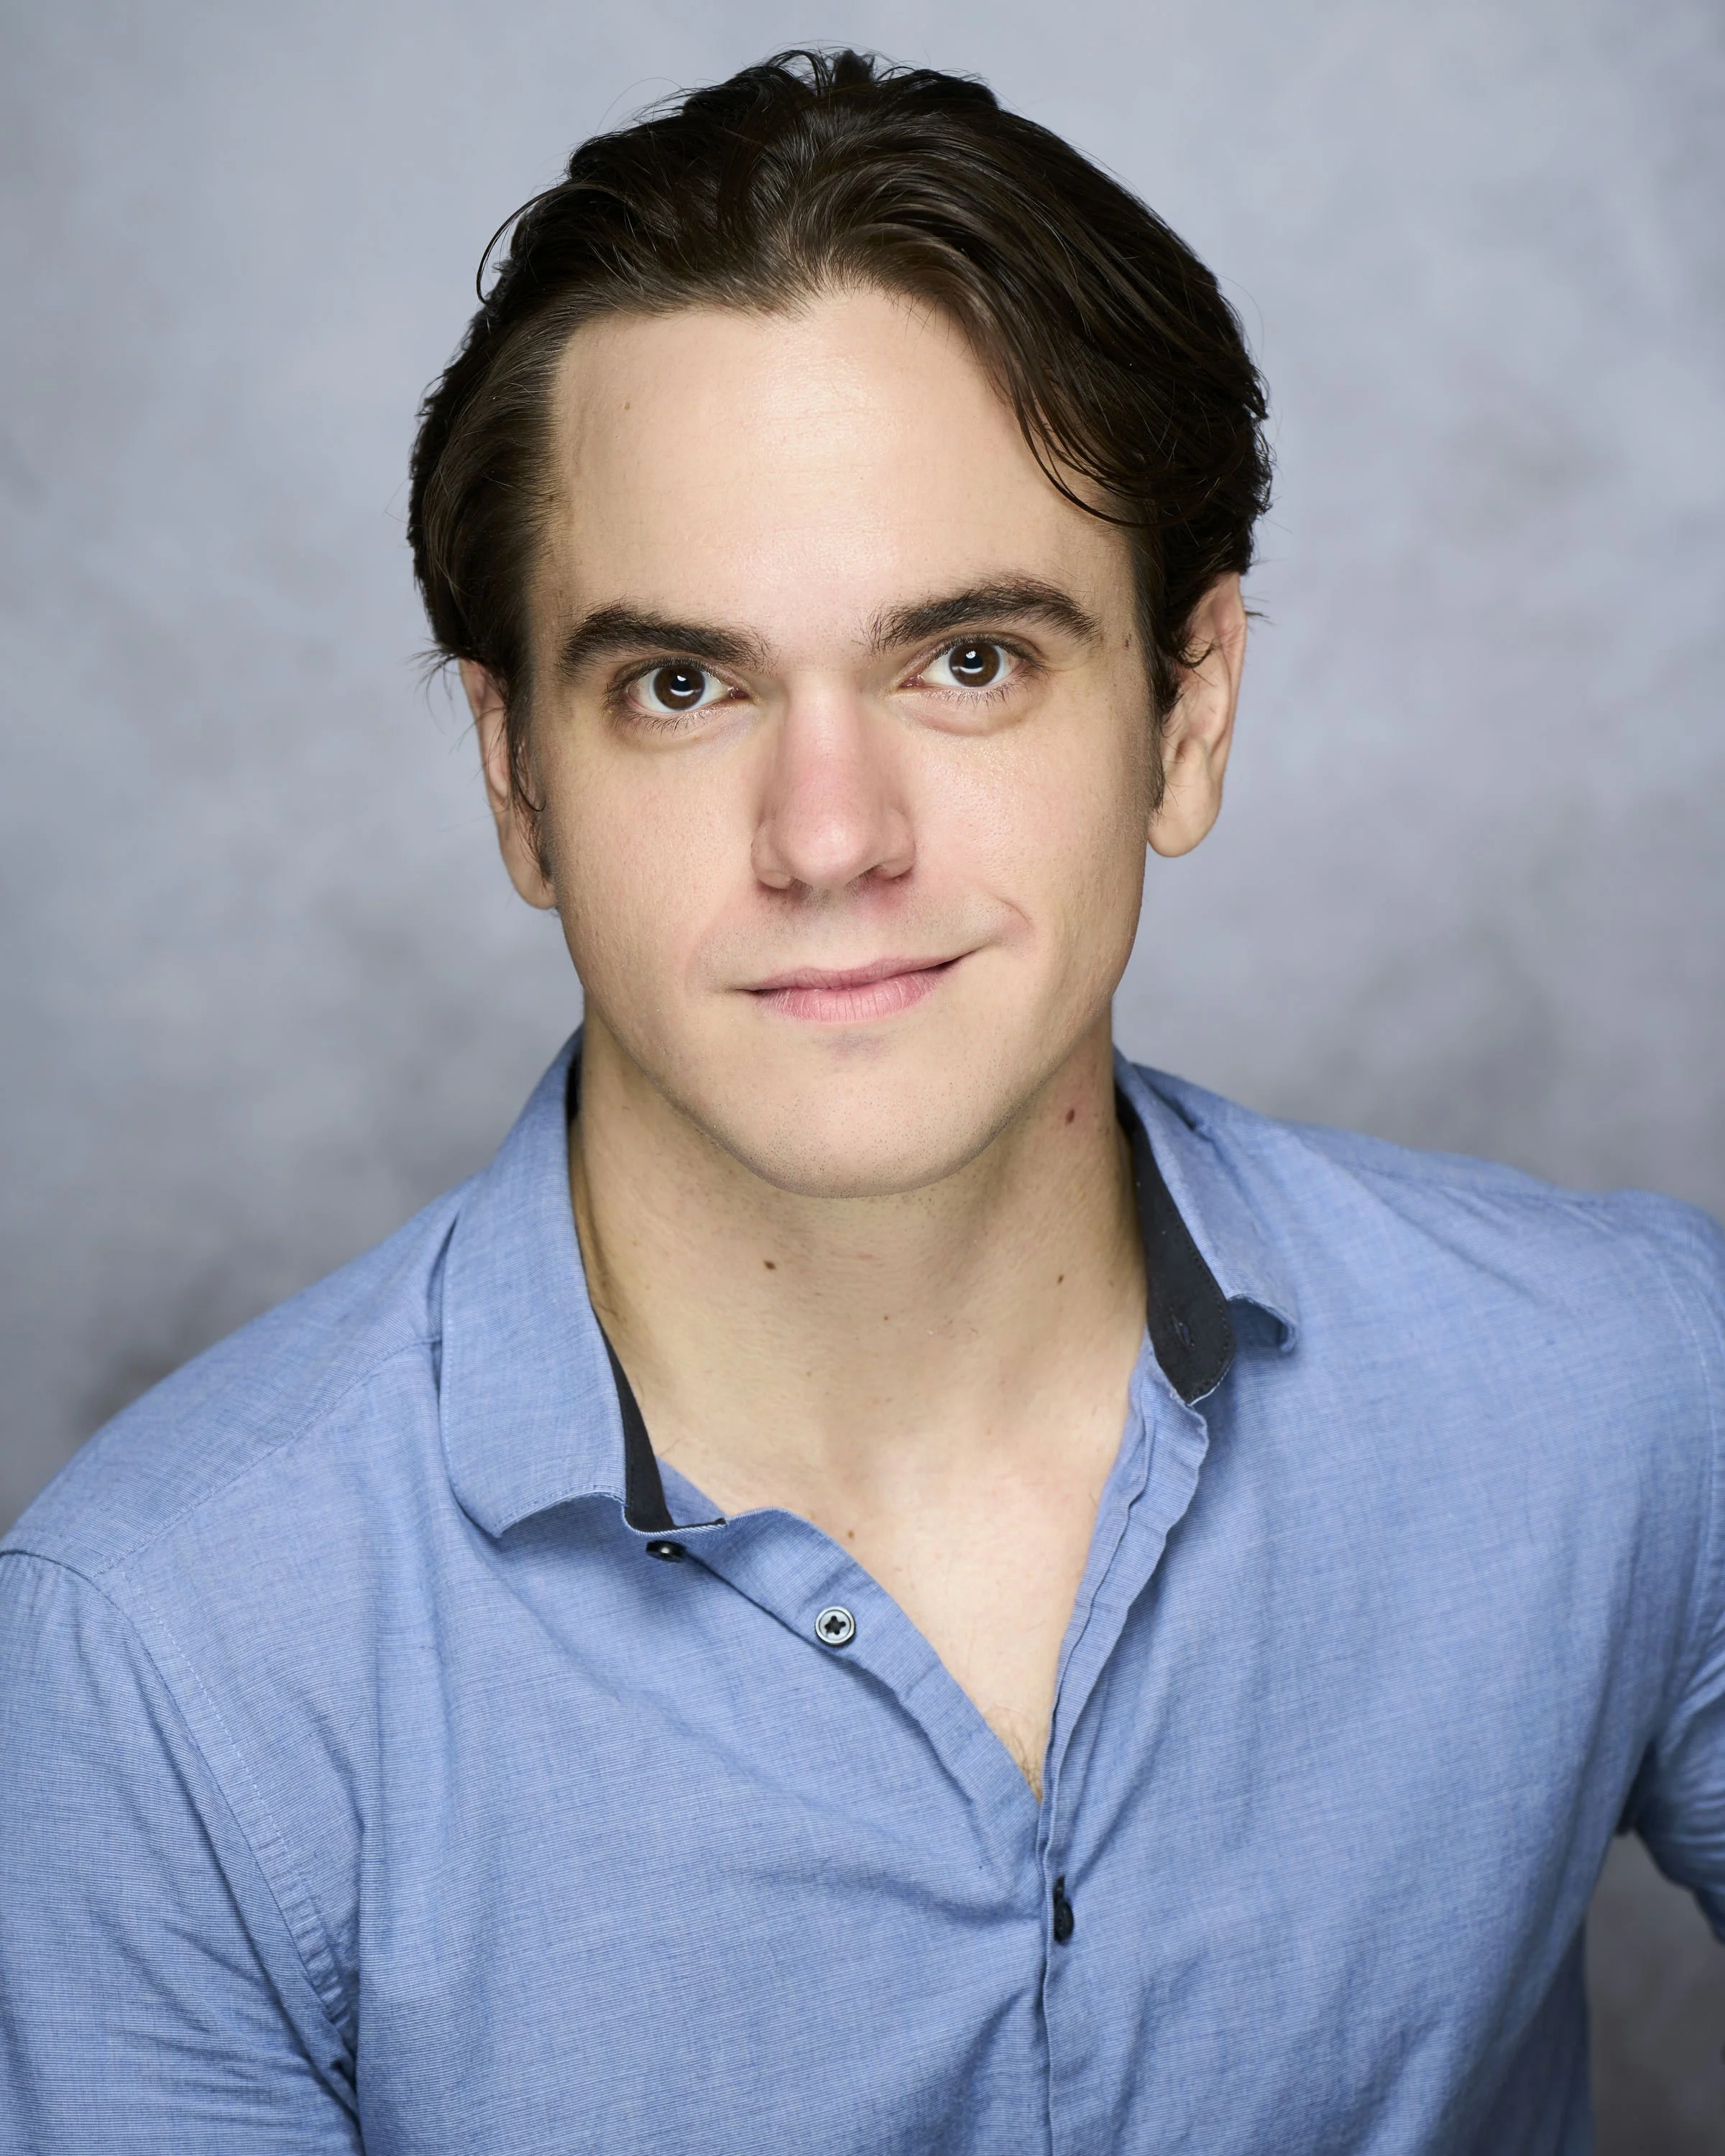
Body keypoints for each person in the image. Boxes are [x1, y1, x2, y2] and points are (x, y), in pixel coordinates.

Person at [1, 47, 1720, 2155]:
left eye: (970, 661)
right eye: (682, 686)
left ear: (1189, 715)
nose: (830, 836)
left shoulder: (1632, 1391)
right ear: (515, 774)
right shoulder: (154, 1664)